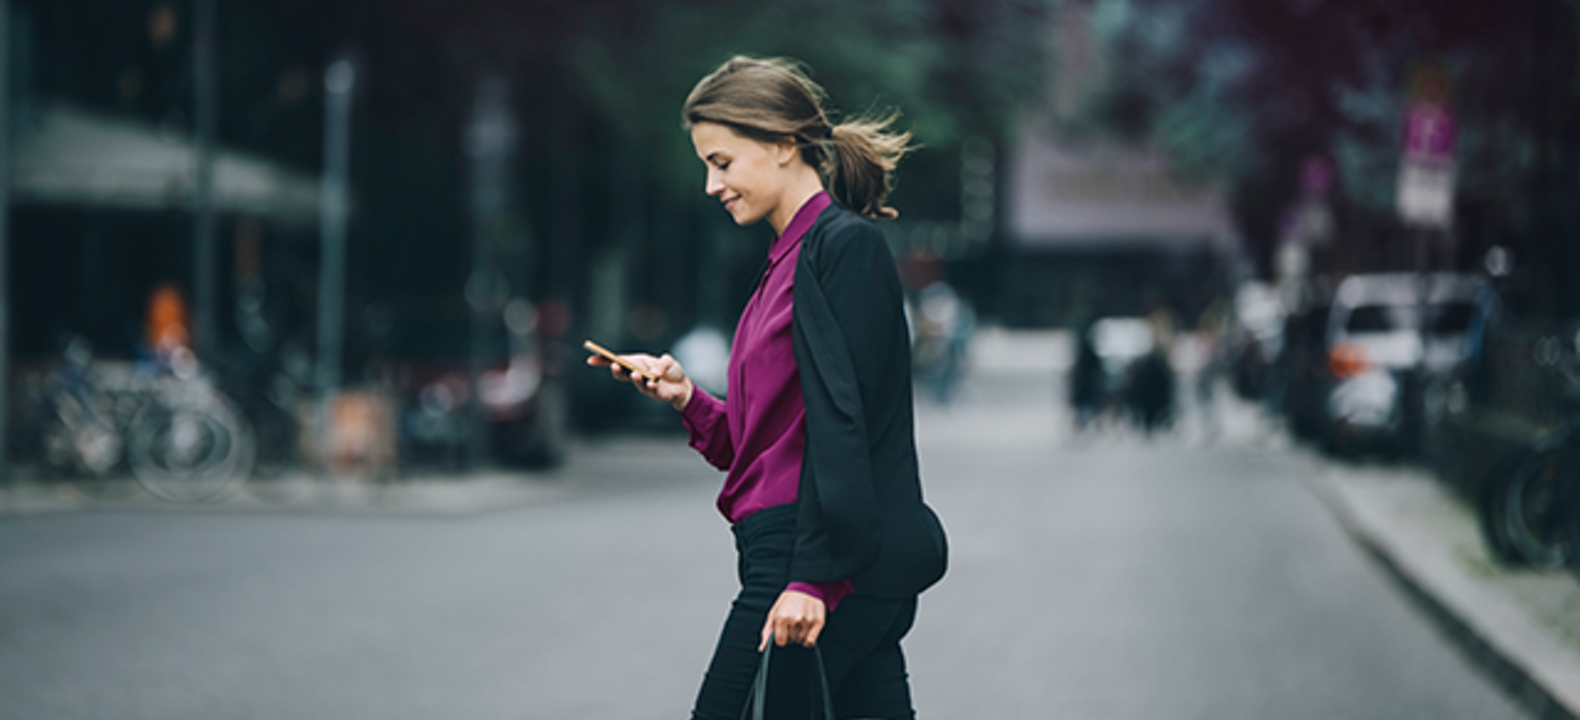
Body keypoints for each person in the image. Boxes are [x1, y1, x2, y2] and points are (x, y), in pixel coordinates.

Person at [587, 55, 948, 720]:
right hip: (805, 556)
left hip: (813, 562)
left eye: (722, 162)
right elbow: (767, 446)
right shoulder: (784, 263)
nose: (711, 184)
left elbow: (850, 425)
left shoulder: (842, 248)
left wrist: (813, 577)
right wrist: (687, 399)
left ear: (783, 143)